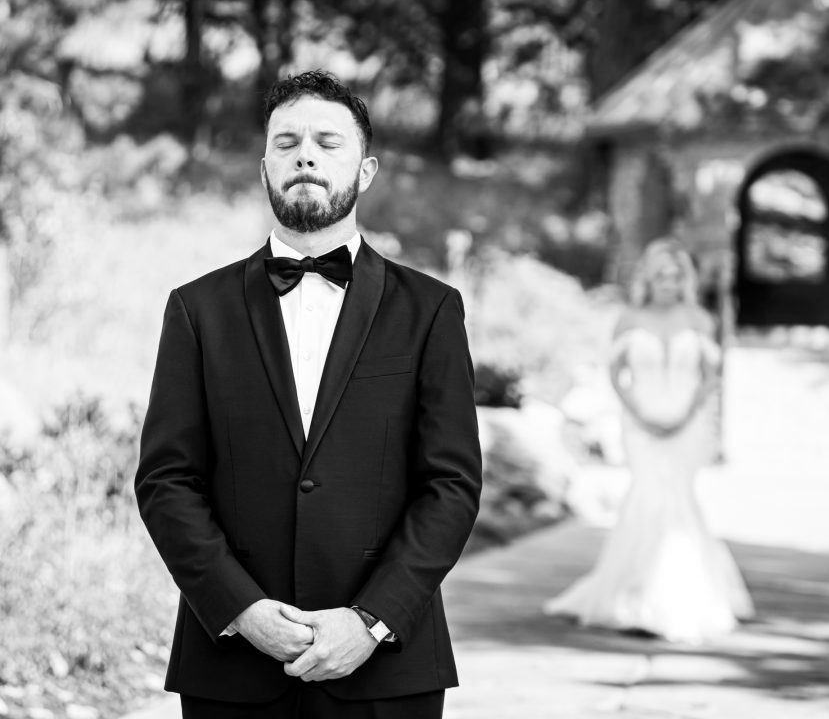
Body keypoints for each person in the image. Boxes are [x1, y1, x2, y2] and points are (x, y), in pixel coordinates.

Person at [134, 70, 482, 718]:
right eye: (287, 141)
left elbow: (451, 485)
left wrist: (371, 620)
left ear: (367, 169)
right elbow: (166, 479)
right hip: (233, 665)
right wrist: (240, 609)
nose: (306, 155)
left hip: (387, 668)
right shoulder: (196, 310)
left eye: (328, 141)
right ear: (264, 164)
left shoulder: (432, 310)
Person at [545, 238, 753, 644]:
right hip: (640, 426)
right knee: (648, 496)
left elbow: (712, 375)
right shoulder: (629, 318)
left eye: (676, 276)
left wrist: (685, 412)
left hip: (685, 424)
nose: (668, 283)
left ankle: (680, 595)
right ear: (649, 278)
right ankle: (635, 593)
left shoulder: (699, 319)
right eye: (661, 275)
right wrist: (639, 414)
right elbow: (615, 372)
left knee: (677, 499)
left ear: (685, 280)